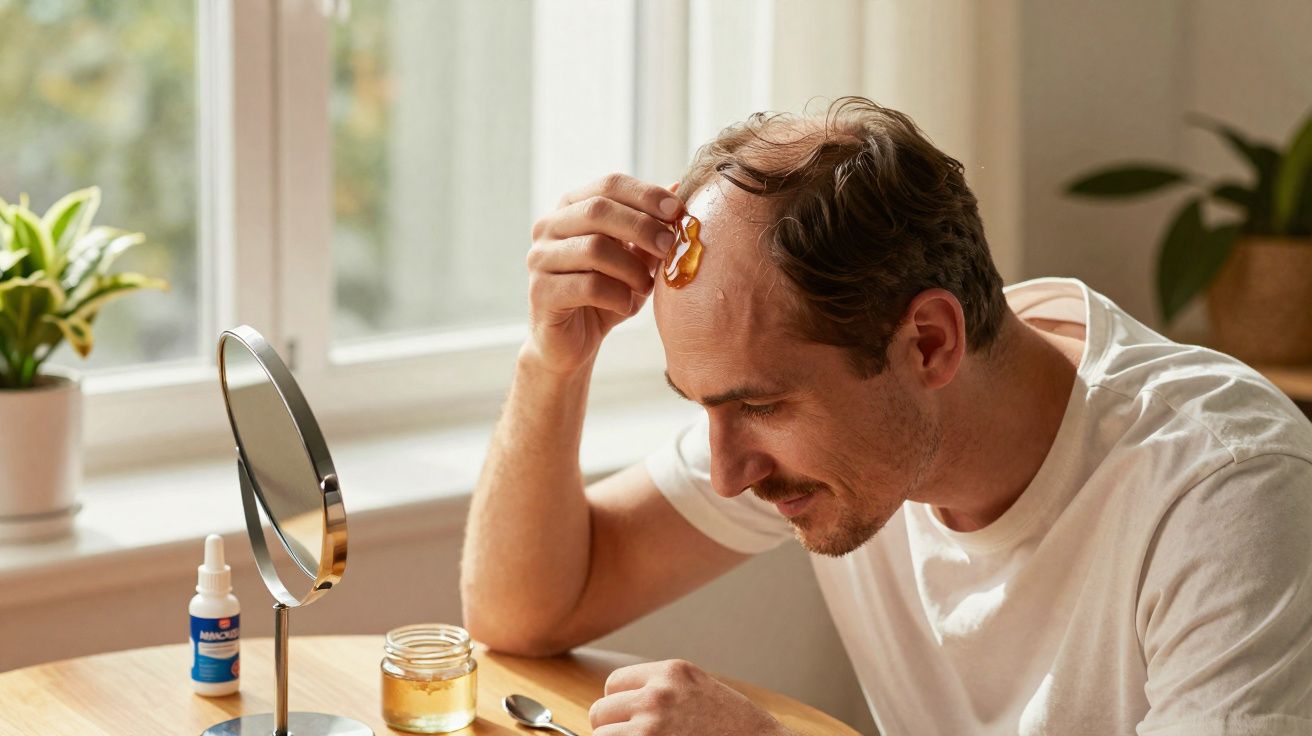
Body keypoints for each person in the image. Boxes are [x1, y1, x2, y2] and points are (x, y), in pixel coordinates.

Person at [460, 97, 1312, 735]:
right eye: (706, 408)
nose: (728, 472)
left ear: (930, 343)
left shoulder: (1224, 487)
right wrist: (553, 361)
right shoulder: (852, 410)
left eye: (758, 406)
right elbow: (524, 610)